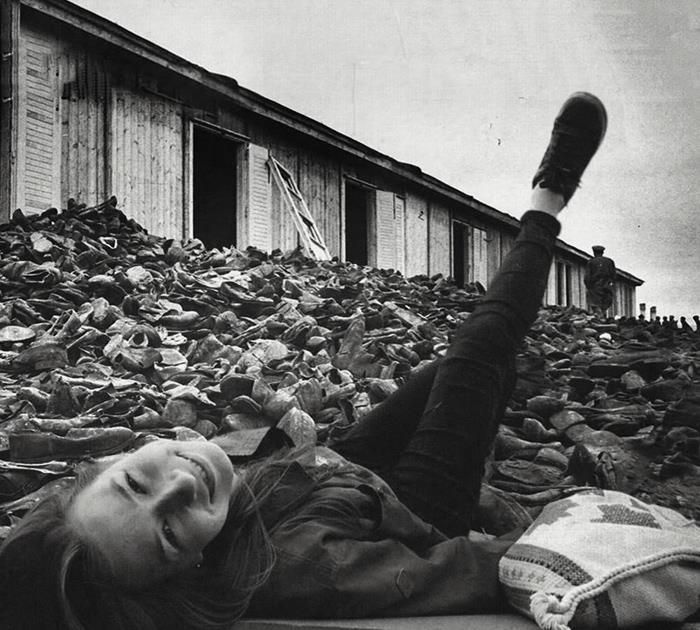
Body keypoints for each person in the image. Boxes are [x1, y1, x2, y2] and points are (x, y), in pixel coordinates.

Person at [0, 92, 608, 629]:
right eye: (169, 531)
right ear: (192, 569)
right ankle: (547, 200)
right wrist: (551, 539)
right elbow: (466, 570)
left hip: (330, 478)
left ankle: (486, 422)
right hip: (411, 513)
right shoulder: (310, 572)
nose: (181, 484)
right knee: (482, 347)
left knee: (462, 373)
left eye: (135, 482)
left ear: (107, 462)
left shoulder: (197, 515)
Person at [584, 244, 616, 318]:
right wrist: (610, 284)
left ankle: (600, 318)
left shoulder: (591, 262)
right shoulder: (609, 262)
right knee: (604, 305)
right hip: (607, 287)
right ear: (602, 252)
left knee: (595, 305)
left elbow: (587, 277)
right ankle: (602, 317)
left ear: (594, 252)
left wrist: (589, 286)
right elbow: (614, 276)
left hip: (595, 287)